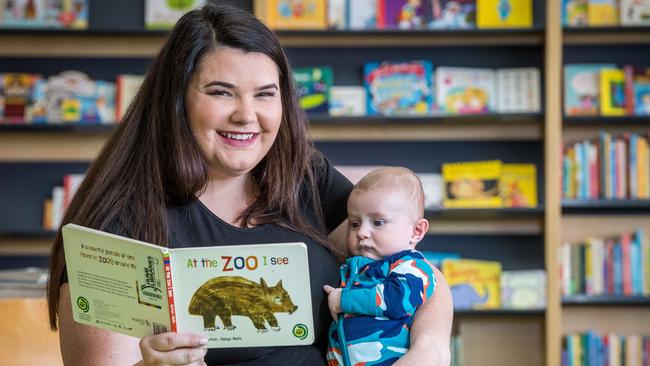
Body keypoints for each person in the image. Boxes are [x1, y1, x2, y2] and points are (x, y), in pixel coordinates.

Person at [46, 4, 453, 366]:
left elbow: (417, 271)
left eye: (264, 94)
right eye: (221, 92)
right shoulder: (118, 224)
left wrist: (431, 348)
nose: (247, 115)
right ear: (176, 100)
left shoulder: (302, 175)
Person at [323, 167, 436, 365]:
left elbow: (397, 299)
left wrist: (343, 300)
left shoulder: (412, 267)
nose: (362, 232)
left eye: (377, 222)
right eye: (355, 224)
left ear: (416, 231)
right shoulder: (356, 269)